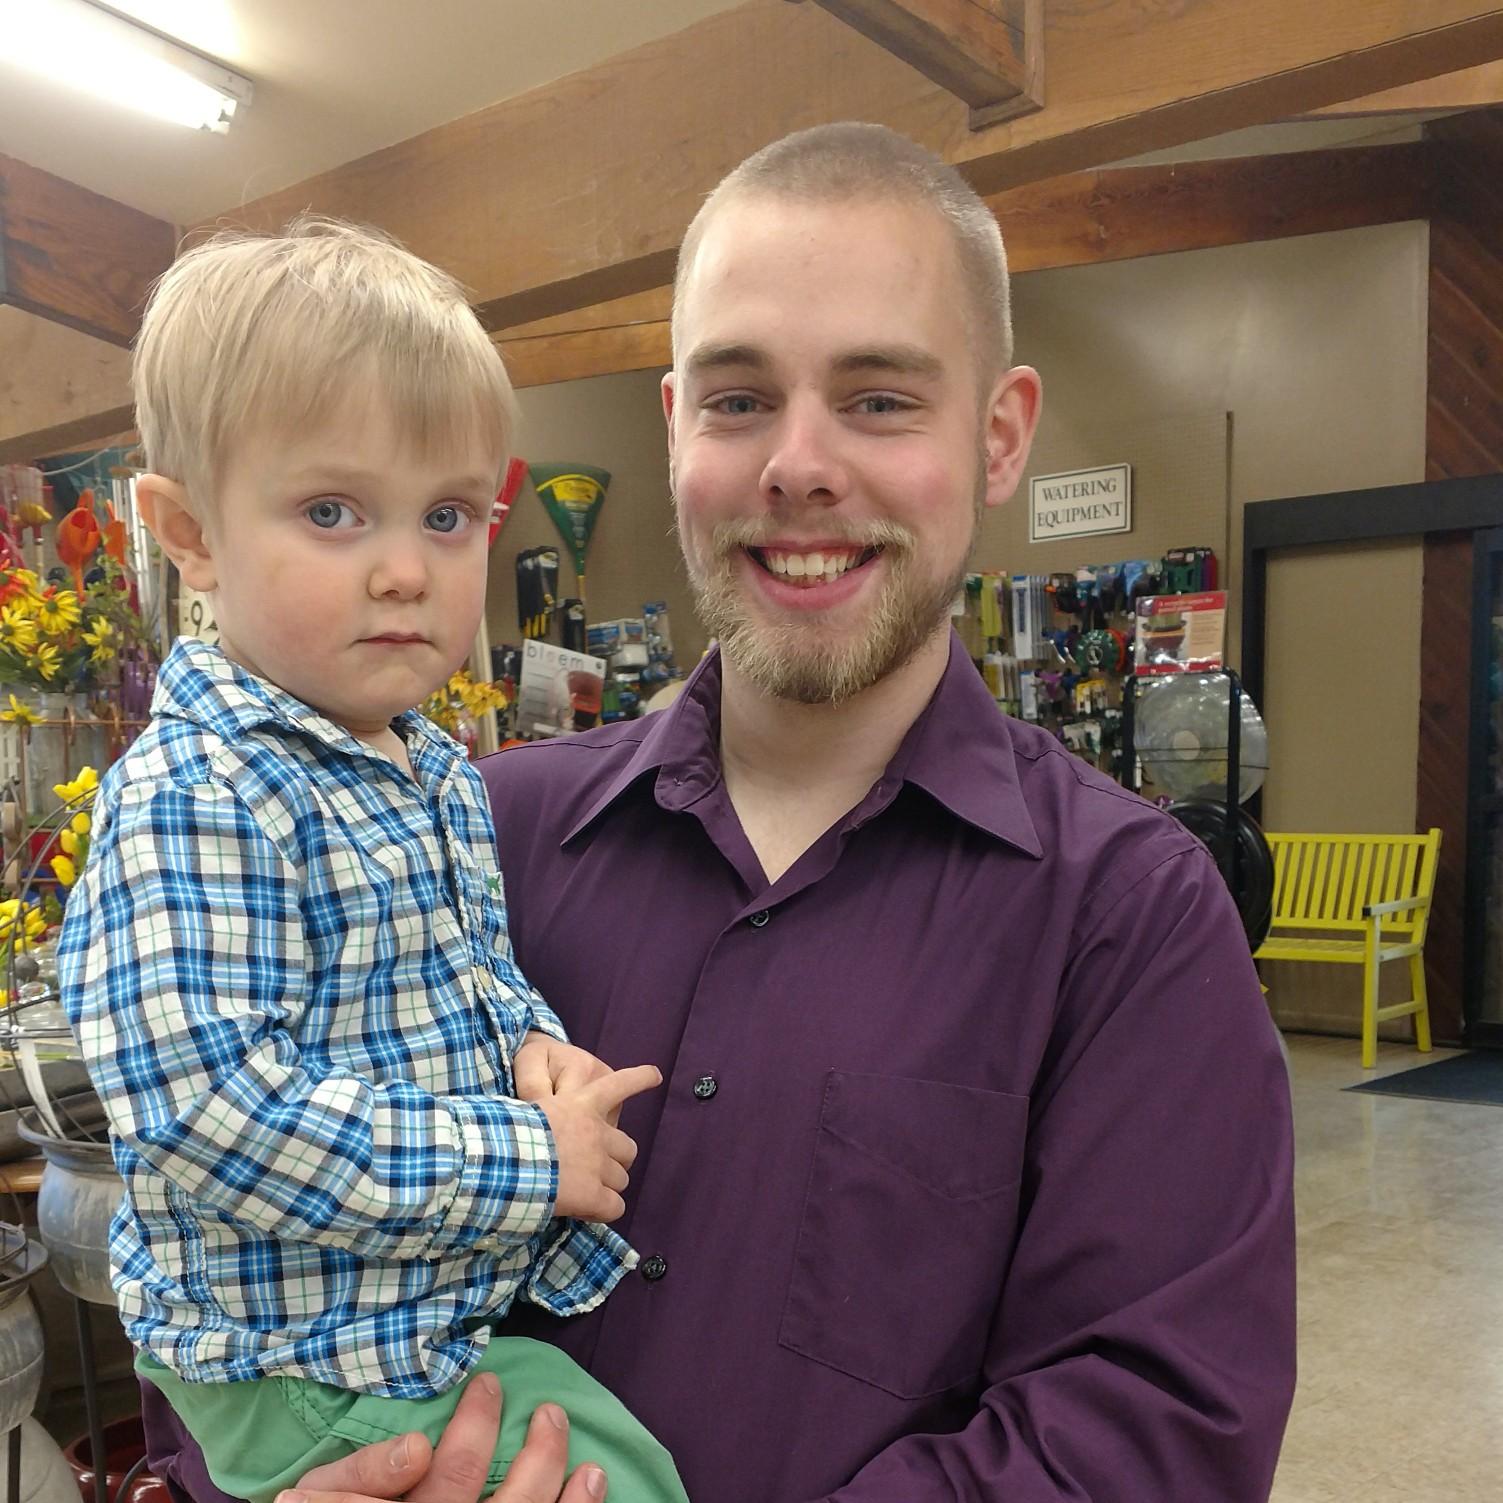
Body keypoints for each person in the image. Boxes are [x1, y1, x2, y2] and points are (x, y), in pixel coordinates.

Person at [143, 124, 1296, 1503]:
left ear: (996, 439)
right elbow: (215, 1265)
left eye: (877, 400)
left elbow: (1147, 1434)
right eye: (740, 400)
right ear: (677, 425)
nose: (796, 465)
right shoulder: (463, 842)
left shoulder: (1125, 918)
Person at [58, 219, 688, 1503]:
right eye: (332, 511)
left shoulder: (431, 768)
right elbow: (205, 1119)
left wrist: (532, 1047)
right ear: (190, 532)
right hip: (294, 1350)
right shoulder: (201, 790)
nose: (406, 569)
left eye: (448, 515)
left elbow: (458, 974)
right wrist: (526, 1158)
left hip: (401, 1323)